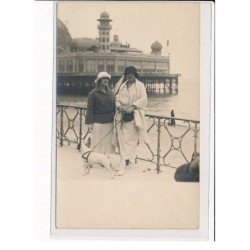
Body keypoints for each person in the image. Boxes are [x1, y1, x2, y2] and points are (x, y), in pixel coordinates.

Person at [113, 66, 149, 175]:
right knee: (122, 139)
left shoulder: (140, 86)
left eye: (131, 74)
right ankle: (123, 161)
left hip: (133, 116)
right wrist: (119, 107)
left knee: (131, 140)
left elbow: (144, 99)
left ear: (135, 75)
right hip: (122, 116)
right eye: (127, 74)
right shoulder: (123, 86)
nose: (129, 76)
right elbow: (117, 99)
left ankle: (124, 161)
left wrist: (132, 107)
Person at [85, 72, 115, 154]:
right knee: (98, 140)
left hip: (110, 120)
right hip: (98, 121)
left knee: (108, 141)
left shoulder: (111, 92)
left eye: (107, 79)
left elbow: (114, 107)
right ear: (99, 81)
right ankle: (97, 157)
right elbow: (89, 109)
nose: (105, 80)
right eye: (103, 79)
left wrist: (116, 118)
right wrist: (89, 123)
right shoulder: (93, 93)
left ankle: (107, 158)